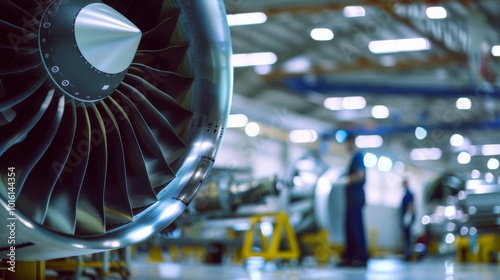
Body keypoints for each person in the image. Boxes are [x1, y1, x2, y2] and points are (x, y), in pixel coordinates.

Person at [337, 134, 368, 267]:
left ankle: (361, 257)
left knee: (356, 228)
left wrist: (347, 180)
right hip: (350, 199)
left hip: (355, 199)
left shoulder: (358, 157)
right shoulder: (353, 158)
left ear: (352, 142)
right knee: (349, 227)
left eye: (347, 143)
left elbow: (360, 175)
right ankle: (351, 257)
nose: (345, 147)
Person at [401, 178, 415, 261]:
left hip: (407, 217)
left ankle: (408, 253)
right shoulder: (405, 193)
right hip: (405, 217)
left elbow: (410, 205)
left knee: (408, 236)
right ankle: (407, 252)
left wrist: (408, 216)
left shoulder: (409, 194)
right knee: (406, 235)